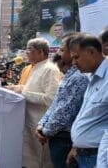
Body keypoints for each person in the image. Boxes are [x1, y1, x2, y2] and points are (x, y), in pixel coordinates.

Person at [35, 33, 89, 168]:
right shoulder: (69, 75)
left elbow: (65, 111)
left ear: (73, 52)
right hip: (57, 135)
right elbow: (56, 104)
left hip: (64, 138)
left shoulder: (79, 77)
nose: (59, 52)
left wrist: (45, 131)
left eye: (62, 49)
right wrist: (42, 124)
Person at [6, 38, 61, 168]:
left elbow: (50, 99)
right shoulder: (35, 68)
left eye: (29, 49)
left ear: (41, 52)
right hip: (28, 123)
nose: (26, 53)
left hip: (40, 125)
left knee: (40, 162)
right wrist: (15, 88)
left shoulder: (50, 69)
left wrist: (23, 92)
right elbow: (30, 90)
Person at [67, 34, 108, 167]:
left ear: (91, 52)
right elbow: (87, 115)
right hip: (85, 154)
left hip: (98, 157)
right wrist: (76, 146)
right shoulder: (92, 77)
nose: (73, 63)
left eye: (76, 57)